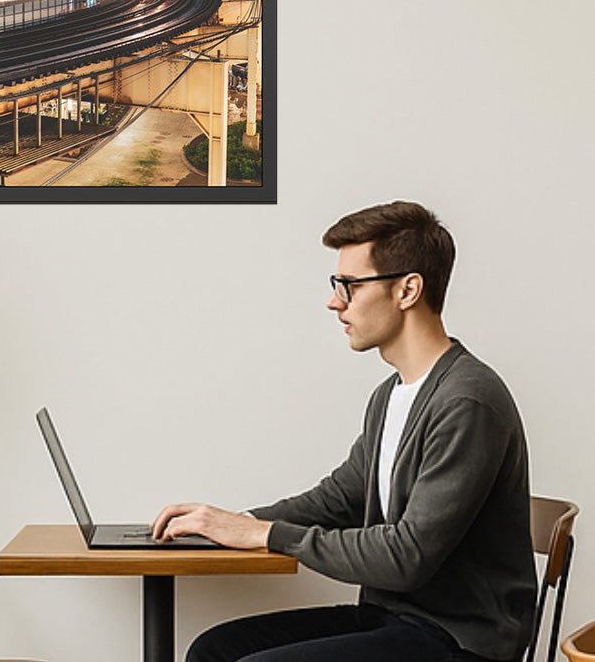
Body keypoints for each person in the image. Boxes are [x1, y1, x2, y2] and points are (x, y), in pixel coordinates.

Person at [152, 201, 536, 662]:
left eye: (349, 286)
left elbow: (406, 556)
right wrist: (230, 524)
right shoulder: (391, 395)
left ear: (408, 290)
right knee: (213, 650)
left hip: (460, 640)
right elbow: (340, 499)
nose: (335, 301)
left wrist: (266, 534)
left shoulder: (467, 401)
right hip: (396, 618)